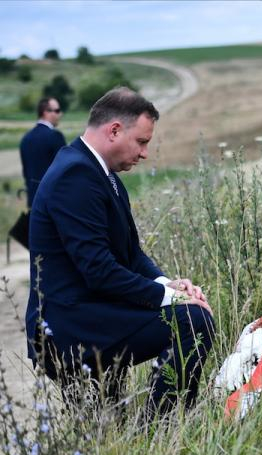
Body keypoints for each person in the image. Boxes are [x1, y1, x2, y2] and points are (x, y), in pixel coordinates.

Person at [25, 87, 215, 421]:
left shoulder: (100, 173)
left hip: (92, 317)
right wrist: (171, 299)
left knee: (102, 434)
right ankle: (158, 431)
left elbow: (130, 254)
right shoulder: (76, 175)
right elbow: (99, 270)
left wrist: (169, 284)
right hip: (70, 329)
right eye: (142, 141)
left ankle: (144, 439)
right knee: (195, 321)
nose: (145, 153)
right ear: (114, 130)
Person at [20, 97, 67, 208]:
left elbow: (27, 173)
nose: (60, 114)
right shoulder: (55, 136)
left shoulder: (26, 138)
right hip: (54, 201)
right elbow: (65, 169)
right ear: (46, 112)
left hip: (33, 200)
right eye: (57, 110)